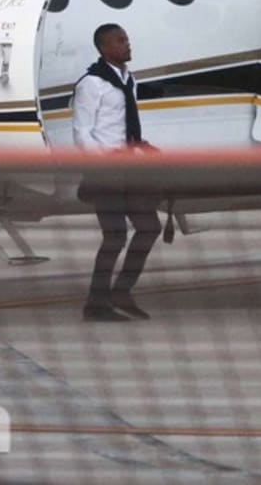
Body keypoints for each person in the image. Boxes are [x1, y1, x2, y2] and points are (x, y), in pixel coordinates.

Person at [73, 23, 162, 322]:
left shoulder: (128, 80)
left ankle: (122, 291)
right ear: (104, 48)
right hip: (106, 172)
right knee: (114, 237)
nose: (127, 44)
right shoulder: (91, 84)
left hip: (131, 169)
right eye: (120, 40)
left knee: (149, 228)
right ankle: (95, 305)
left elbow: (124, 126)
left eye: (126, 38)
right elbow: (82, 134)